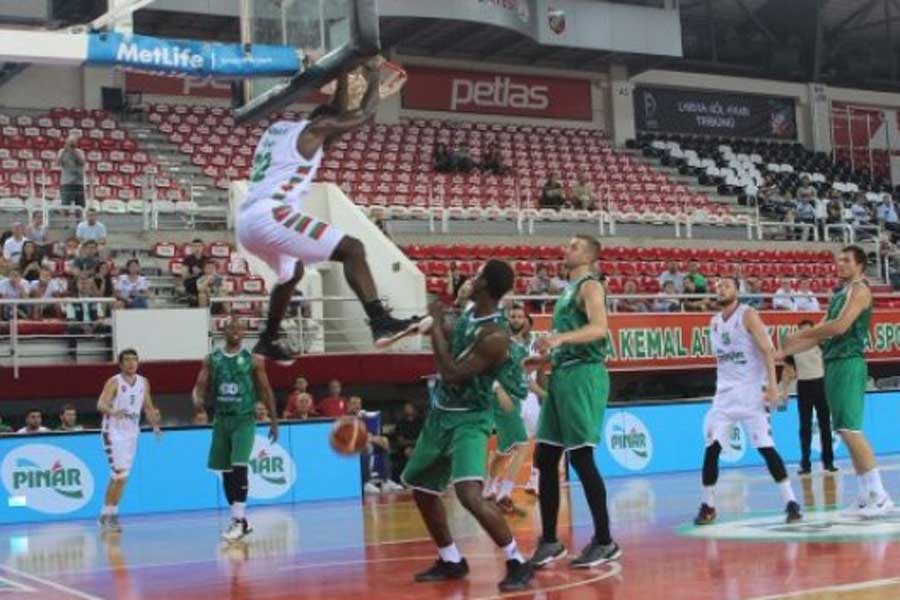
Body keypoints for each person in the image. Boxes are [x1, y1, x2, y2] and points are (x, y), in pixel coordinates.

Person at [235, 58, 415, 360]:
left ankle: (267, 339)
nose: (333, 140)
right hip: (271, 216)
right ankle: (380, 322)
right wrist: (371, 75)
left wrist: (343, 74)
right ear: (325, 125)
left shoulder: (281, 129)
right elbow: (364, 114)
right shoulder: (314, 131)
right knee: (353, 249)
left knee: (291, 274)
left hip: (247, 223)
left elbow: (333, 115)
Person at [402, 259, 532, 592]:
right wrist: (438, 318)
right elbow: (453, 331)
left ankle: (517, 561)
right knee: (422, 488)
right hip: (440, 414)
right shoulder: (471, 314)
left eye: (477, 275)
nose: (471, 279)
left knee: (469, 494)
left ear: (485, 284)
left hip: (470, 419)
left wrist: (433, 333)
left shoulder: (495, 335)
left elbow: (453, 373)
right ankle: (451, 560)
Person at [526, 236, 620, 570]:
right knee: (546, 455)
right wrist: (540, 361)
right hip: (562, 374)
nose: (566, 248)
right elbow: (568, 339)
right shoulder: (567, 290)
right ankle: (550, 540)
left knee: (580, 457)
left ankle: (605, 540)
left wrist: (560, 338)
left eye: (574, 246)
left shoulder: (591, 286)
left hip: (584, 375)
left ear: (591, 256)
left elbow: (599, 329)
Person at [779, 246, 893, 517]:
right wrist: (783, 351)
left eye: (845, 260)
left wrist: (799, 335)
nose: (839, 264)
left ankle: (879, 494)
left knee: (851, 430)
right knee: (843, 429)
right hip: (832, 363)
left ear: (860, 264)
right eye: (837, 260)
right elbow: (821, 334)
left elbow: (839, 327)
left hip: (848, 362)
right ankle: (866, 495)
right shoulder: (839, 293)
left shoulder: (860, 290)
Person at [693, 277, 801, 526]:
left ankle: (791, 502)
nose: (721, 289)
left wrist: (773, 387)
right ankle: (708, 505)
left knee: (765, 447)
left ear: (737, 291)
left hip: (752, 393)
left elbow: (766, 350)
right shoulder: (714, 322)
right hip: (724, 397)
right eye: (718, 286)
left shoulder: (748, 314)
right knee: (712, 448)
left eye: (727, 286)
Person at [192, 316, 278, 542]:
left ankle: (238, 521)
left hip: (244, 419)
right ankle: (239, 519)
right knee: (226, 472)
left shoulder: (253, 360)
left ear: (243, 333)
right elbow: (200, 385)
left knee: (239, 466)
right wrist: (197, 397)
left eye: (239, 328)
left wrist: (274, 421)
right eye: (231, 327)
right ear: (224, 332)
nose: (235, 331)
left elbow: (266, 390)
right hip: (221, 420)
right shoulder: (212, 358)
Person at [96, 349, 162, 532]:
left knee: (121, 478)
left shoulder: (143, 382)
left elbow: (148, 406)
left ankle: (107, 515)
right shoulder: (114, 381)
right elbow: (100, 404)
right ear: (121, 363)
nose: (132, 363)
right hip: (113, 432)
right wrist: (113, 412)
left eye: (134, 359)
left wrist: (155, 425)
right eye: (127, 360)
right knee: (119, 474)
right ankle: (109, 516)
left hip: (132, 434)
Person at [483, 303, 531, 516]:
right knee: (522, 445)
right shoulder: (501, 341)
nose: (516, 319)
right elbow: (486, 366)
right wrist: (497, 388)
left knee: (504, 452)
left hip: (516, 400)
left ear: (526, 321)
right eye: (512, 316)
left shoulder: (521, 346)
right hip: (503, 399)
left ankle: (487, 491)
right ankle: (504, 494)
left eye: (520, 316)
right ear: (507, 318)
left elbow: (523, 377)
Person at [780, 320, 836, 475]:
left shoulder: (821, 345)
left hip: (821, 385)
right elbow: (788, 370)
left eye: (808, 330)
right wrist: (784, 391)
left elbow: (828, 366)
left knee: (825, 425)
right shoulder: (794, 349)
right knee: (805, 427)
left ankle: (828, 461)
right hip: (804, 386)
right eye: (802, 330)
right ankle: (805, 463)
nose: (806, 333)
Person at [392, 401, 423, 482]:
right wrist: (414, 442)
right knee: (409, 451)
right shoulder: (401, 423)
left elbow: (425, 438)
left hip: (421, 446)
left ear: (415, 409)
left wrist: (416, 443)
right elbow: (401, 441)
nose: (407, 409)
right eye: (406, 408)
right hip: (405, 448)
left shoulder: (421, 422)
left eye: (409, 407)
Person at [59, 135, 86, 207]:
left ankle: (80, 218)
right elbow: (58, 162)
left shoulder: (80, 152)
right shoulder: (62, 152)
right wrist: (65, 151)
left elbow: (82, 162)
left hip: (78, 182)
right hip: (66, 182)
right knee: (65, 205)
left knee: (80, 206)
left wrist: (73, 152)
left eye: (73, 142)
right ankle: (65, 218)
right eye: (70, 142)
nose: (71, 144)